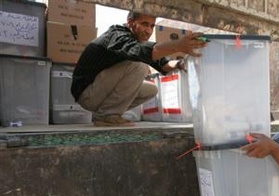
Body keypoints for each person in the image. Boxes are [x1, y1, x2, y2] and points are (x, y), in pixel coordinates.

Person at [71, 12, 207, 126]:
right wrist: (177, 45)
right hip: (87, 93)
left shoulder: (135, 41)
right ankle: (107, 115)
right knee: (139, 64)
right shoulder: (116, 35)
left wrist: (179, 64)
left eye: (152, 26)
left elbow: (162, 64)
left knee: (151, 90)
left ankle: (106, 113)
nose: (149, 30)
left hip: (100, 92)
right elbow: (139, 52)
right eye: (144, 24)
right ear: (130, 22)